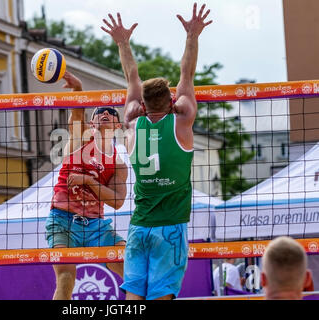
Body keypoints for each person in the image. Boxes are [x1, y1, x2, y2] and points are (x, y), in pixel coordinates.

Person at [101, 3, 212, 300]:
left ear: (143, 105)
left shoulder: (132, 125)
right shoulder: (182, 120)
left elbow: (131, 77)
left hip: (140, 227)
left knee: (134, 298)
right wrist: (192, 35)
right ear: (172, 100)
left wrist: (122, 42)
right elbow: (186, 72)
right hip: (170, 229)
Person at [46, 71, 128, 300]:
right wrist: (78, 89)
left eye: (110, 112)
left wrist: (89, 181)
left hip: (96, 225)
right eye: (99, 112)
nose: (104, 113)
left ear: (118, 124)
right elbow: (76, 112)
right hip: (62, 220)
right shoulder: (80, 140)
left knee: (131, 270)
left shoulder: (118, 164)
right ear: (91, 122)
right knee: (65, 278)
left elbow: (118, 202)